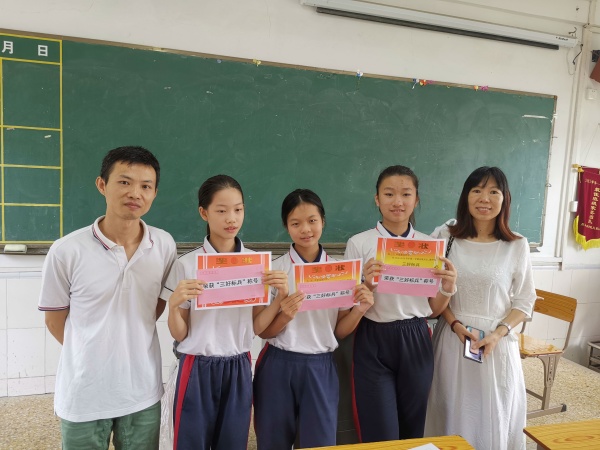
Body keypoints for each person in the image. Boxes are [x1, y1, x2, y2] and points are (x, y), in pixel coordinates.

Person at [38, 146, 177, 450]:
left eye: (146, 186)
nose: (135, 193)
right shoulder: (66, 251)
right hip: (84, 394)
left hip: (142, 392)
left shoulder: (164, 244)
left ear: (154, 193)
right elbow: (54, 321)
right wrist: (93, 349)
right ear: (102, 185)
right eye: (124, 182)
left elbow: (153, 308)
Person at [162, 175, 288, 450]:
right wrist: (173, 306)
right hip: (197, 367)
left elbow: (256, 327)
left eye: (238, 209)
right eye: (221, 211)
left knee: (232, 443)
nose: (231, 218)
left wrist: (279, 299)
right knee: (191, 443)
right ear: (204, 213)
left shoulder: (256, 264)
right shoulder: (187, 265)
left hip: (239, 366)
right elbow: (180, 334)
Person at [253, 189, 374, 450]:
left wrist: (360, 309)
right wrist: (284, 315)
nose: (305, 230)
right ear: (286, 226)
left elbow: (340, 331)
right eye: (295, 223)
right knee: (273, 442)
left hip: (321, 366)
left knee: (319, 443)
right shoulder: (275, 271)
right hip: (278, 365)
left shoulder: (341, 271)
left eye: (312, 221)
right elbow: (264, 332)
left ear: (323, 221)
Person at [424, 166, 536, 450]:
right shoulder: (445, 236)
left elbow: (524, 300)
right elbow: (434, 291)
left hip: (496, 346)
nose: (484, 198)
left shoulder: (517, 244)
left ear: (504, 198)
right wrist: (455, 324)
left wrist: (498, 334)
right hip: (453, 339)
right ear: (466, 196)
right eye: (477, 190)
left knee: (493, 414)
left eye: (493, 191)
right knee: (451, 410)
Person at [344, 165, 457, 443]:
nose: (398, 201)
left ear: (416, 200)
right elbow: (347, 306)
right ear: (377, 199)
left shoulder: (428, 246)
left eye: (406, 194)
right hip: (373, 338)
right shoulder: (359, 243)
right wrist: (367, 283)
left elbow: (433, 309)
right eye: (389, 194)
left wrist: (448, 288)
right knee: (380, 429)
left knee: (413, 426)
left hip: (415, 336)